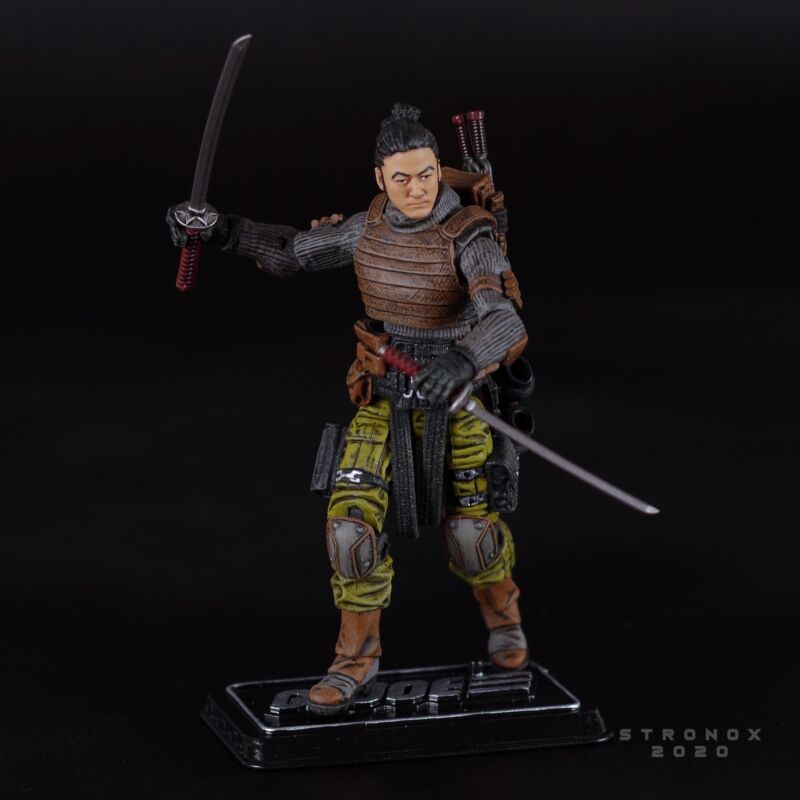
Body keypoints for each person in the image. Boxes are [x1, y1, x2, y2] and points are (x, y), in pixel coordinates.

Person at [167, 103, 530, 715]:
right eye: (401, 178)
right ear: (380, 178)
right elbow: (291, 251)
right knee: (348, 531)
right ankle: (354, 661)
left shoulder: (470, 233)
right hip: (385, 398)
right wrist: (223, 230)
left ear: (438, 169)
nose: (417, 189)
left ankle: (505, 620)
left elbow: (504, 317)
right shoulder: (366, 229)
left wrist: (464, 360)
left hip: (459, 402)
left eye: (426, 174)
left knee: (473, 535)